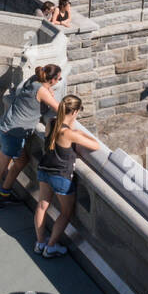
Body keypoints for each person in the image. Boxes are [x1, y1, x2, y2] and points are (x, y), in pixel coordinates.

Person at [0, 63, 63, 210]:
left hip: (8, 127)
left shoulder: (34, 79)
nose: (59, 81)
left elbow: (45, 90)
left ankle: (5, 193)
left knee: (21, 160)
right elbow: (58, 109)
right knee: (0, 169)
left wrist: (49, 89)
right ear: (52, 80)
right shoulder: (42, 91)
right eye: (59, 79)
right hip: (13, 133)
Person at [33, 94, 103, 256]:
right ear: (75, 112)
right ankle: (50, 247)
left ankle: (40, 243)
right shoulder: (68, 133)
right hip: (61, 175)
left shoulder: (51, 123)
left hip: (44, 169)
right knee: (66, 212)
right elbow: (96, 146)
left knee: (42, 206)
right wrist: (80, 132)